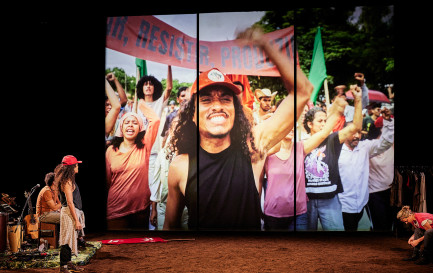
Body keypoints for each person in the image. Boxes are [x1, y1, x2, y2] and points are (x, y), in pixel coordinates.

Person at [163, 26, 313, 230]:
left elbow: (303, 91)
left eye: (226, 99)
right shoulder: (180, 166)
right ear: (192, 115)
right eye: (206, 100)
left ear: (236, 111)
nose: (217, 106)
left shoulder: (253, 148)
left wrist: (265, 45)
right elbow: (170, 228)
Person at [262, 96, 346, 231]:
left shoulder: (301, 148)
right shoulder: (266, 152)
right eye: (285, 124)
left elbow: (324, 133)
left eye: (292, 125)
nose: (289, 128)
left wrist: (337, 110)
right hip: (273, 214)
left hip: (299, 214)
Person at [303, 84, 363, 231]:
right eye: (320, 121)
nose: (324, 124)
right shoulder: (302, 142)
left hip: (330, 201)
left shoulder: (333, 139)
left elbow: (355, 126)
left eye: (325, 120)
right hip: (306, 201)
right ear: (310, 124)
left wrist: (358, 100)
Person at [105, 100, 160, 229]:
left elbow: (155, 120)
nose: (130, 125)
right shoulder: (111, 151)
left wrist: (141, 103)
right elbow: (107, 182)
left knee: (139, 246)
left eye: (135, 123)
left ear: (140, 128)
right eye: (127, 122)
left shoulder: (145, 146)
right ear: (121, 127)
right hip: (116, 210)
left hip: (141, 209)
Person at [337, 107, 394, 231]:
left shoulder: (365, 147)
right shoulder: (336, 151)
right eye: (353, 133)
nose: (357, 136)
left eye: (359, 132)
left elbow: (385, 143)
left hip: (361, 205)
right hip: (342, 206)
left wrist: (388, 122)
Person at [367, 110, 395, 232]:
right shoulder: (369, 146)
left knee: (390, 224)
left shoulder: (392, 144)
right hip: (374, 193)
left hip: (392, 192)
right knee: (380, 227)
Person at [56, 155, 84, 273]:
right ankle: (63, 266)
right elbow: (70, 203)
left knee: (71, 238)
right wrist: (76, 220)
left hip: (70, 212)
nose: (78, 166)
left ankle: (69, 262)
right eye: (76, 165)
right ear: (72, 167)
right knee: (66, 240)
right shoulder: (66, 181)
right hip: (68, 212)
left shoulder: (69, 179)